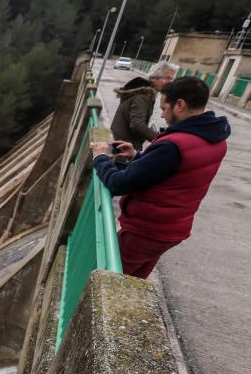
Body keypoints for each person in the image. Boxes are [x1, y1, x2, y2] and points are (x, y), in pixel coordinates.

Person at [90, 77, 230, 279]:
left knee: (109, 281)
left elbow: (118, 183)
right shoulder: (215, 139)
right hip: (171, 229)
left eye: (164, 108)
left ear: (180, 105)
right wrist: (139, 156)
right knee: (133, 282)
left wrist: (100, 157)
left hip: (146, 230)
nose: (162, 115)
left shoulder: (173, 145)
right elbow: (179, 171)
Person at [110, 61, 179, 150]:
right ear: (154, 78)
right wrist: (160, 140)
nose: (170, 82)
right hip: (123, 149)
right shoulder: (143, 97)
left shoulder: (143, 93)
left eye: (172, 79)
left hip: (121, 144)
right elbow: (137, 124)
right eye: (168, 78)